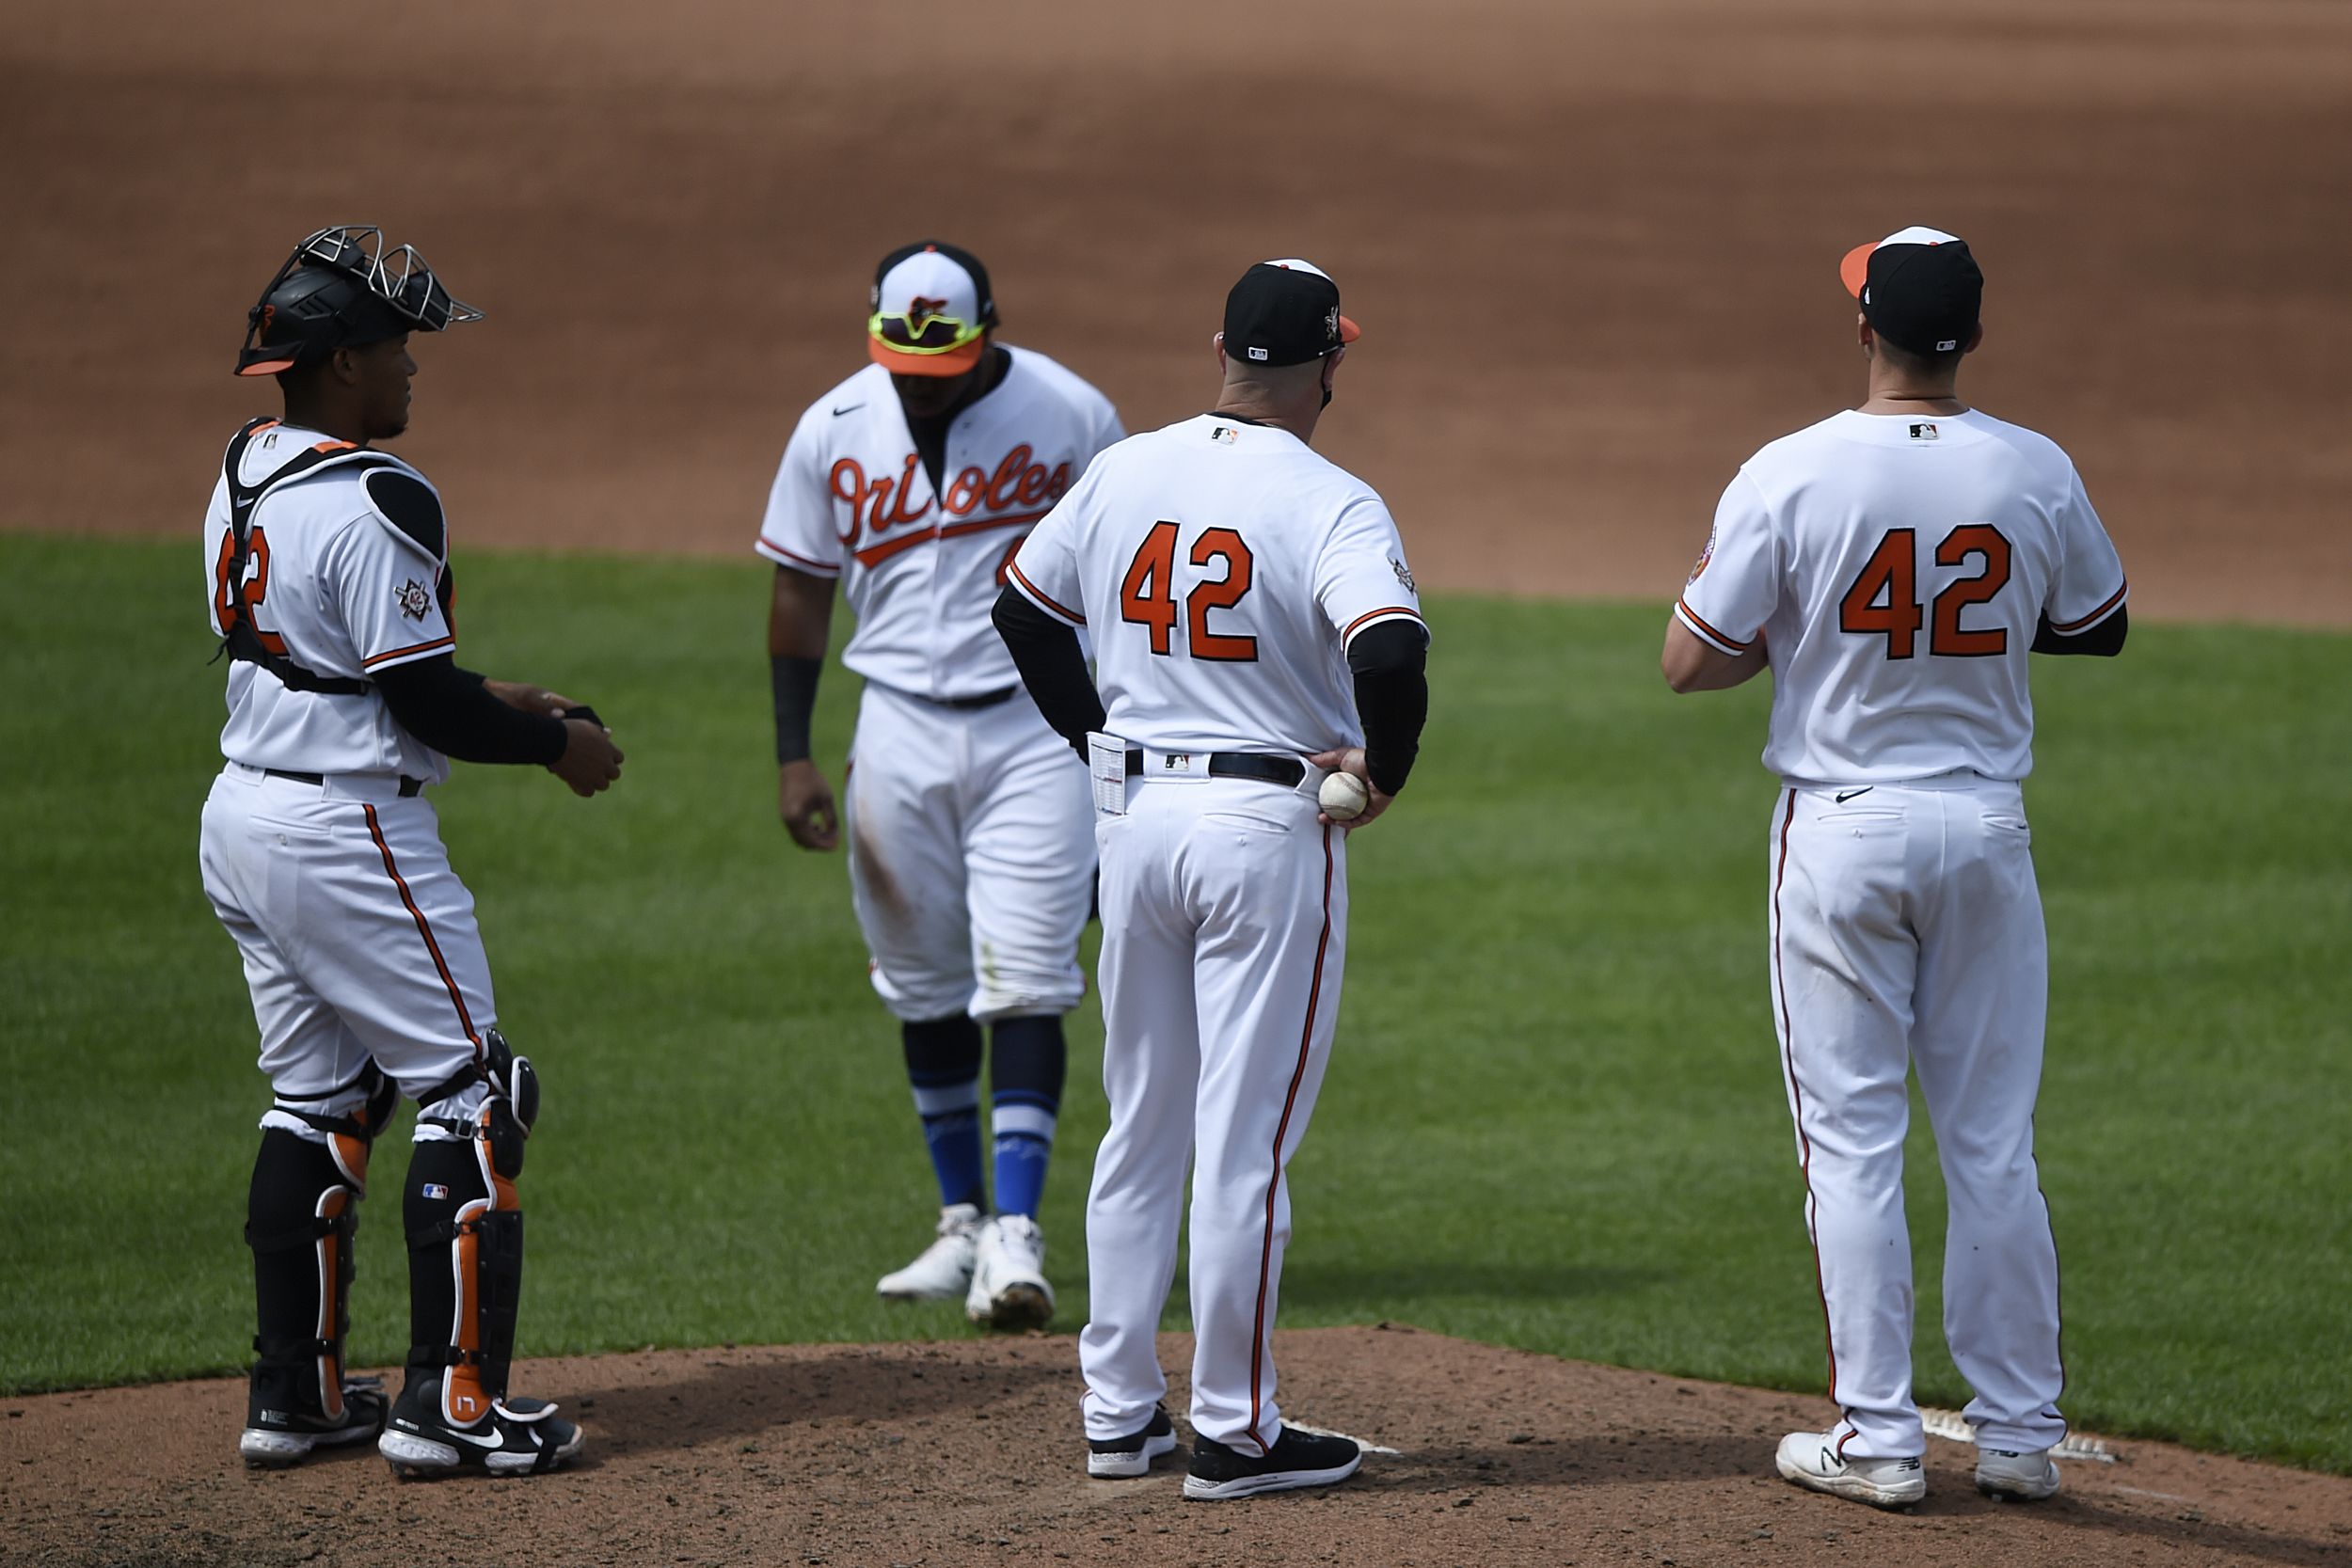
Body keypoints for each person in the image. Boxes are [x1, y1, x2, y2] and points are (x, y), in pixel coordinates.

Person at [1661, 227, 2128, 1510]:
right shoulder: (2035, 466)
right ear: (1970, 336)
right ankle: (2023, 1431)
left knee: (1854, 1142)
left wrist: (1807, 642)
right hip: (1984, 828)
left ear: (1865, 327)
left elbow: (1692, 658)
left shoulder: (1791, 468)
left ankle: (1879, 1435)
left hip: (1842, 828)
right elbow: (2098, 622)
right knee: (1993, 1142)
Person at [993, 259, 1431, 1499]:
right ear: (1330, 365)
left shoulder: (1126, 465)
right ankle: (1235, 1429)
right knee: (1242, 1139)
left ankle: (1118, 1412)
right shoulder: (1334, 497)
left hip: (1132, 820)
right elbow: (1389, 651)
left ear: (1222, 347)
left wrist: (1095, 737)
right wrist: (1385, 767)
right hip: (1262, 823)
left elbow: (1023, 610)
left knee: (1143, 1122)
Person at [203, 227, 622, 1477]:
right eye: (394, 350)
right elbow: (425, 707)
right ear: (339, 364)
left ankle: (297, 1393)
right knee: (477, 1093)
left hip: (244, 814)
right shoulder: (387, 495)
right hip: (345, 829)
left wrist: (501, 690)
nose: (409, 372)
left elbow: (327, 655)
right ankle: (454, 1406)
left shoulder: (244, 467)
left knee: (318, 1099)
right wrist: (558, 748)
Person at [755, 241, 1123, 1327]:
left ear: (988, 331)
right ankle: (959, 1219)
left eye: (944, 363)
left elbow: (1115, 584)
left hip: (1032, 731)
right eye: (903, 364)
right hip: (896, 731)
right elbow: (801, 593)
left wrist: (1114, 738)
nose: (921, 383)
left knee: (1025, 974)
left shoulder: (1071, 414)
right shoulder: (831, 427)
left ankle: (1016, 1230)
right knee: (918, 982)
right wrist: (791, 751)